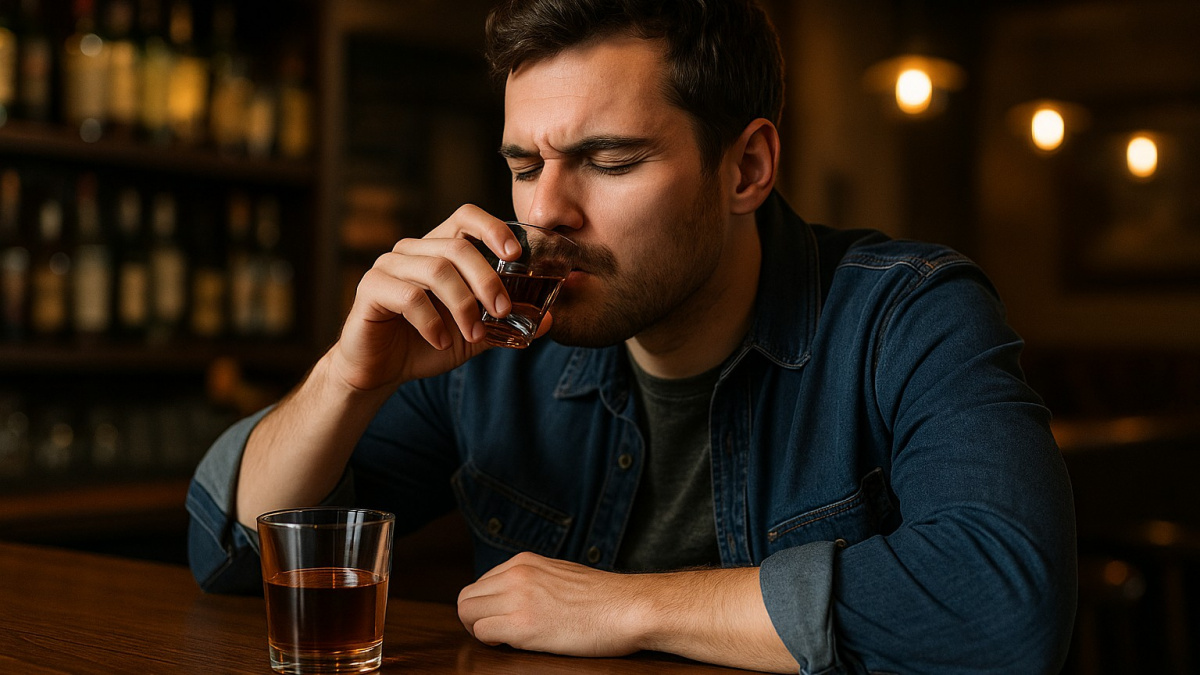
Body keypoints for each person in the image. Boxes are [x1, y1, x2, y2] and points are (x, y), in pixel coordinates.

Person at [186, 0, 1077, 672]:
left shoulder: (910, 314)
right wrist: (350, 375)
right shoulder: (493, 342)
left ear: (748, 168)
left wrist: (629, 607)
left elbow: (1004, 600)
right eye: (524, 165)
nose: (544, 211)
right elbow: (229, 549)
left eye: (609, 162)